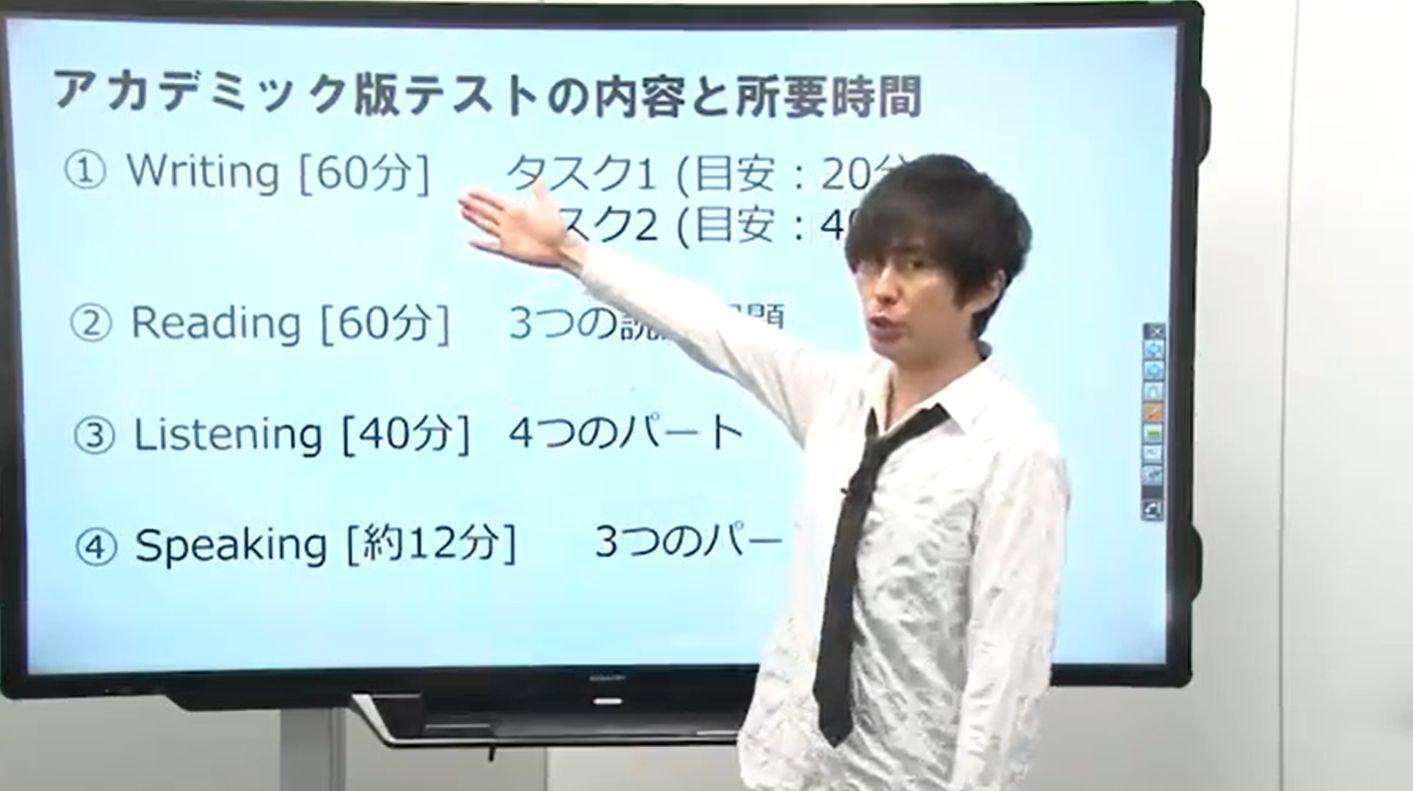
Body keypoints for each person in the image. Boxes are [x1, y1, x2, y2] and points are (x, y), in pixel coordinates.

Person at [457, 153, 1070, 791]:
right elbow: (713, 327)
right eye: (869, 264)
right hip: (785, 768)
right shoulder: (838, 396)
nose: (882, 290)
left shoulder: (1015, 452)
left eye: (915, 267)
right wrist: (570, 254)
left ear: (984, 288)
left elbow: (1008, 671)